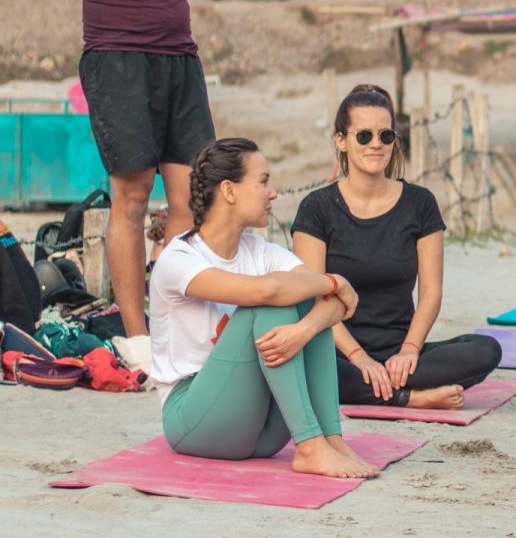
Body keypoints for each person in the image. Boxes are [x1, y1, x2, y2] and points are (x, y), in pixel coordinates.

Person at [57, 0, 214, 368]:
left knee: (193, 200)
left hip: (180, 57)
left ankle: (173, 325)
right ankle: (137, 337)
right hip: (118, 57)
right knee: (130, 197)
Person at [149, 138, 377, 480]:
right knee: (272, 304)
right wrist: (335, 281)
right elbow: (267, 291)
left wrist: (306, 327)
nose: (273, 193)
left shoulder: (259, 250)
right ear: (229, 190)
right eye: (263, 181)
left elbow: (330, 302)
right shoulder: (178, 259)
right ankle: (310, 447)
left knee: (302, 299)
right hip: (194, 420)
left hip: (263, 429)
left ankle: (329, 438)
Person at [291, 86, 501, 411]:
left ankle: (379, 387)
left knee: (486, 350)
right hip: (338, 352)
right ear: (341, 141)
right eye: (364, 136)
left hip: (400, 353)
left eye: (385, 135)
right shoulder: (316, 208)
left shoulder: (420, 203)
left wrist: (410, 350)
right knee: (303, 364)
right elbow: (313, 298)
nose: (376, 144)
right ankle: (410, 397)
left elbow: (431, 292)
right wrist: (359, 357)